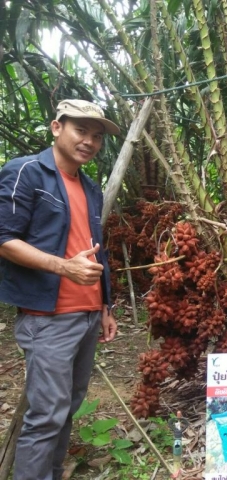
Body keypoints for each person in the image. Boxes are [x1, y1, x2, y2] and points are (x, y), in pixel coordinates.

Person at [0, 99, 120, 480]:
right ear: (57, 127)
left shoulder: (89, 187)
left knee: (67, 407)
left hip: (85, 316)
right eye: (80, 131)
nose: (89, 141)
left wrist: (104, 305)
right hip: (48, 317)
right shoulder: (26, 172)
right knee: (47, 415)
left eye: (97, 136)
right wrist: (63, 267)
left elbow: (93, 244)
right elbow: (4, 238)